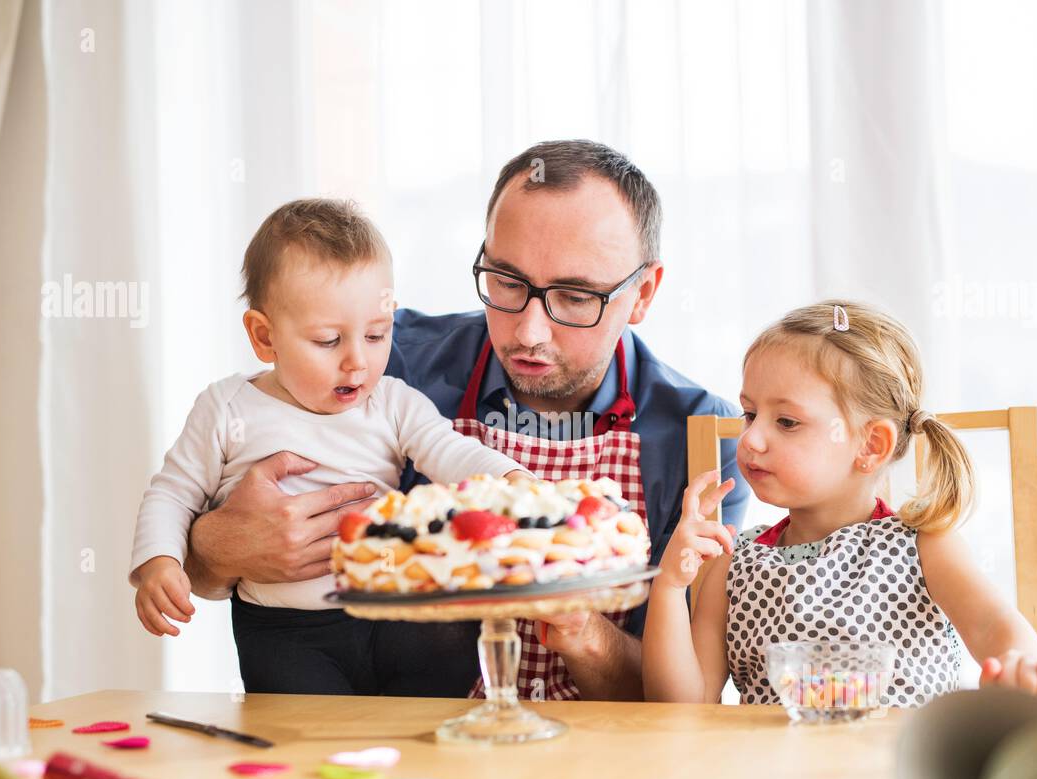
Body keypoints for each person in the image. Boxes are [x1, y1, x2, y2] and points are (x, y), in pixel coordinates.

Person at [184, 140, 749, 701]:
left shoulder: (703, 435)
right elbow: (200, 554)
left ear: (643, 293)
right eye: (506, 281)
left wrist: (584, 632)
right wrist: (216, 550)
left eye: (575, 296)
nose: (529, 331)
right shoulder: (381, 361)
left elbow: (679, 705)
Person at [129, 198, 527, 695]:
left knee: (448, 639)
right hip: (287, 632)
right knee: (303, 733)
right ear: (264, 336)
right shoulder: (227, 409)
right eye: (327, 341)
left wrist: (511, 480)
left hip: (392, 607)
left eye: (378, 334)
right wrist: (159, 563)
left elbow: (448, 450)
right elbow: (172, 492)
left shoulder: (392, 402)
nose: (357, 362)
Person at [643, 300, 1037, 705]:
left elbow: (991, 625)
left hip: (894, 767)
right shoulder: (732, 564)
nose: (749, 439)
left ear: (871, 446)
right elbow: (685, 705)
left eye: (786, 422)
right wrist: (669, 586)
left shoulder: (923, 545)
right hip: (771, 771)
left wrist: (1021, 666)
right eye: (750, 414)